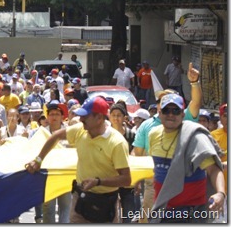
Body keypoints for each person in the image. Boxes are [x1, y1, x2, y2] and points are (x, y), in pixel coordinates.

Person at [26, 96, 131, 223]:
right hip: (80, 200)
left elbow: (126, 179)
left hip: (106, 204)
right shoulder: (80, 130)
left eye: (85, 116)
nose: (81, 119)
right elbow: (56, 136)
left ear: (99, 118)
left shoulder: (117, 143)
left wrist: (98, 182)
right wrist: (38, 160)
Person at [131, 62, 202, 222]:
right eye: (164, 104)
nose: (170, 112)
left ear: (180, 111)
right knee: (149, 219)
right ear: (158, 107)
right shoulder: (147, 126)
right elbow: (138, 153)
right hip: (153, 181)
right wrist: (136, 178)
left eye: (174, 107)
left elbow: (196, 103)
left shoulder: (185, 119)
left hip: (181, 181)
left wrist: (194, 83)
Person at [146, 94, 226, 222]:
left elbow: (214, 169)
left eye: (176, 111)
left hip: (192, 213)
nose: (171, 115)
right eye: (166, 110)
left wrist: (220, 193)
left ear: (183, 114)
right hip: (163, 209)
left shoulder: (195, 137)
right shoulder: (153, 135)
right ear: (159, 113)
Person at [39, 101, 72, 223]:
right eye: (51, 114)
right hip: (47, 176)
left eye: (57, 114)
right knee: (48, 209)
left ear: (62, 117)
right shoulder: (41, 133)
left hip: (65, 175)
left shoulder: (70, 132)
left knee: (65, 208)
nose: (54, 117)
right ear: (47, 116)